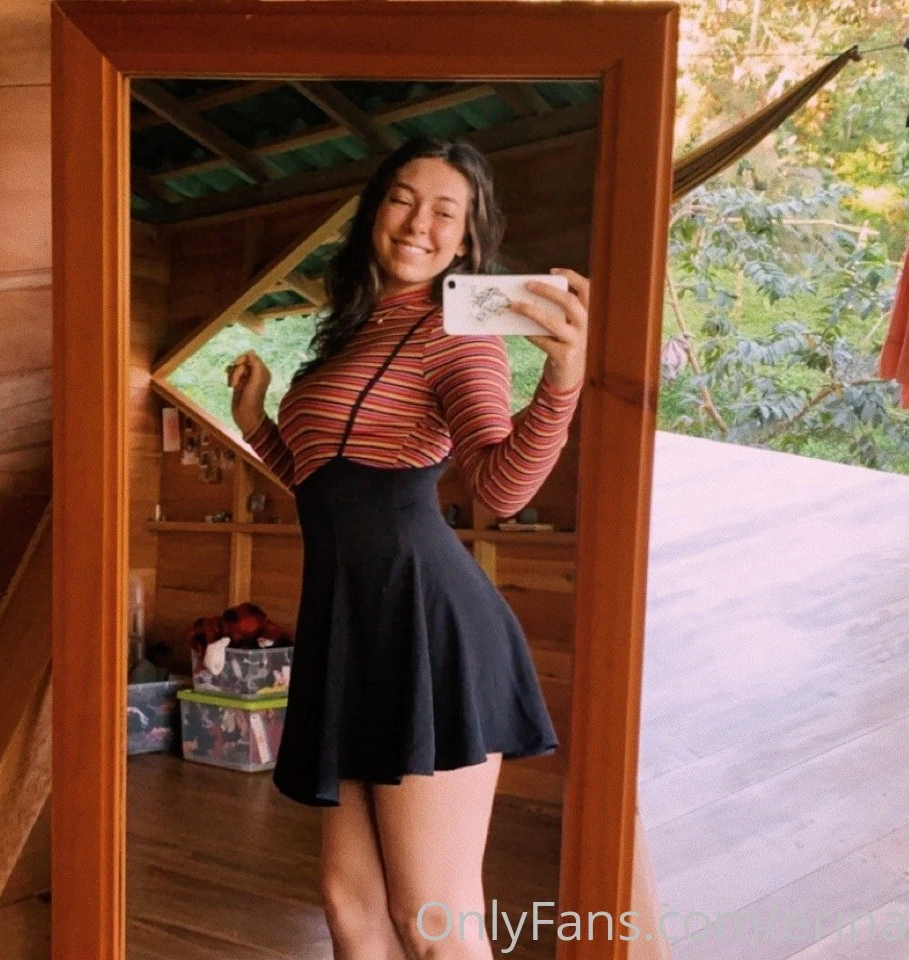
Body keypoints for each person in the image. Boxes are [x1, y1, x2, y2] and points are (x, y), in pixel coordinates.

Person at [226, 134, 589, 960]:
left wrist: (562, 383)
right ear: (373, 213)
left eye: (445, 212)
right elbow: (325, 483)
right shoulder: (354, 331)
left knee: (432, 917)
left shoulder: (457, 336)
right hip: (354, 629)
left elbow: (498, 488)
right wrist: (254, 420)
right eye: (402, 198)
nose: (419, 223)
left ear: (466, 241)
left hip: (426, 624)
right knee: (351, 906)